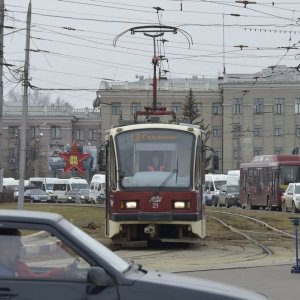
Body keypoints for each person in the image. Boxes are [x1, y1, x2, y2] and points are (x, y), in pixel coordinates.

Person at [0, 228, 65, 278]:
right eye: (17, 243)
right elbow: (33, 285)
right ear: (5, 249)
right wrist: (53, 273)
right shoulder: (5, 274)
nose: (21, 245)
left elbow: (33, 279)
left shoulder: (17, 265)